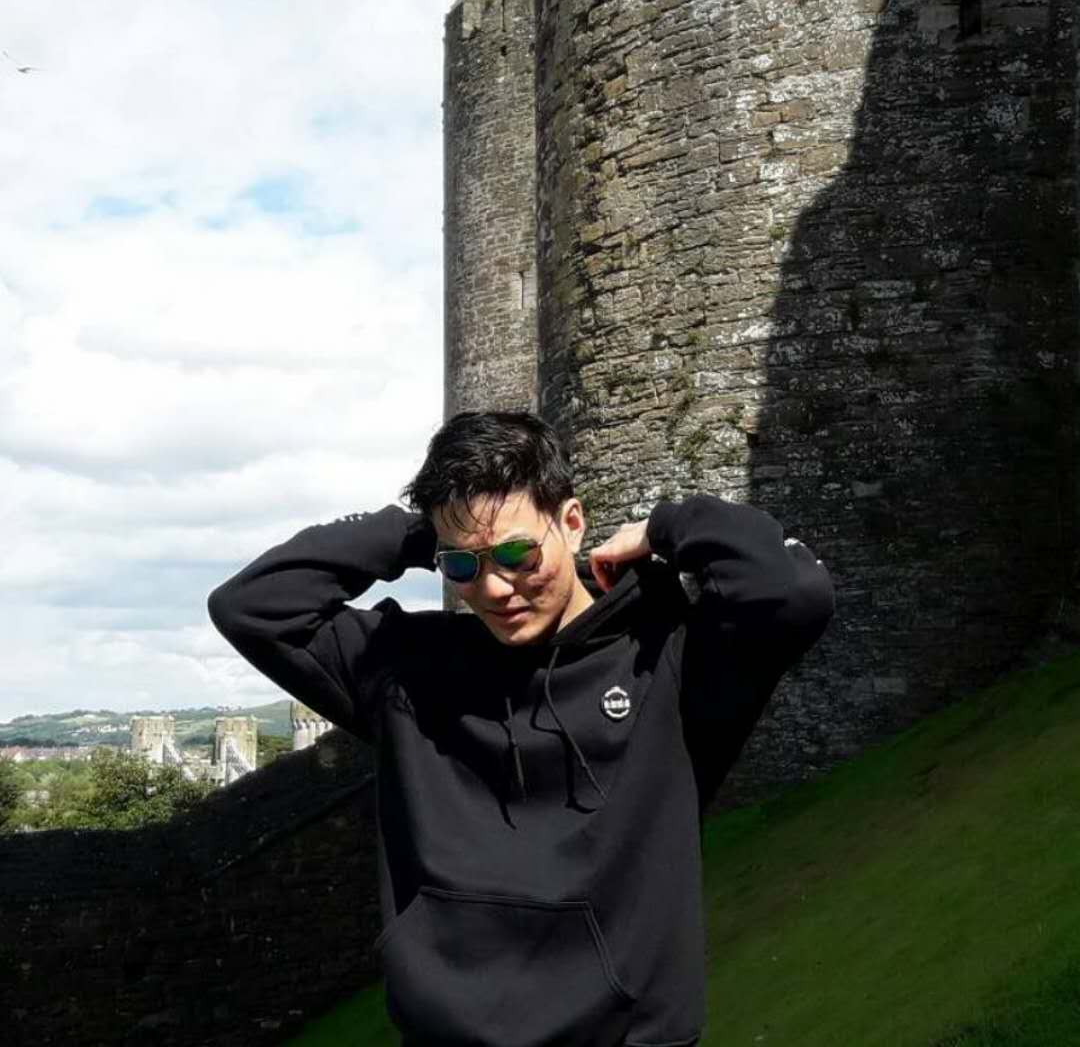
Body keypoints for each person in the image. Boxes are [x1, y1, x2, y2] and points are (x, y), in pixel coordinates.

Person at [206, 410, 835, 1047]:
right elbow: (251, 607)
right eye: (463, 567)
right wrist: (426, 535)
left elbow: (792, 592)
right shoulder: (411, 671)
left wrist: (666, 526)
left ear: (572, 523)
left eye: (515, 554)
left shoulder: (668, 661)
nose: (495, 588)